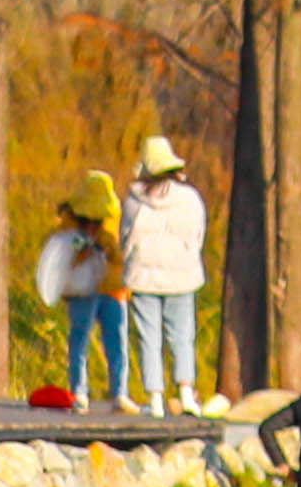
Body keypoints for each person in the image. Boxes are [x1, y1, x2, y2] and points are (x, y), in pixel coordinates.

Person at [112, 135, 210, 413]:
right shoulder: (190, 199)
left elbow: (126, 239)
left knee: (149, 337)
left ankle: (154, 398)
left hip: (143, 276)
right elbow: (197, 236)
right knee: (182, 335)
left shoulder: (133, 202)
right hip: (182, 275)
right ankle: (186, 393)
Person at [36, 182, 119, 405]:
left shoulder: (108, 233)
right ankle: (79, 389)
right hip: (82, 292)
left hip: (110, 290)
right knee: (80, 339)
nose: (92, 226)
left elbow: (118, 259)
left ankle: (119, 392)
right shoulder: (67, 235)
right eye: (86, 221)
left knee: (115, 341)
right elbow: (61, 265)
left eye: (97, 222)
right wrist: (83, 250)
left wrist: (106, 248)